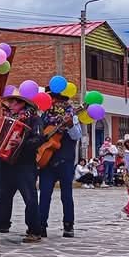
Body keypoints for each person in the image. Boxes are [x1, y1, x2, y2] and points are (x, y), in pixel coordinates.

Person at [0, 88, 45, 243]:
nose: (10, 104)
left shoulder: (34, 119)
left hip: (25, 164)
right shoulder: (7, 119)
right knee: (1, 197)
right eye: (10, 102)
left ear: (22, 103)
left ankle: (34, 231)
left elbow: (39, 139)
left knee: (30, 198)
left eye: (13, 102)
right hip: (6, 163)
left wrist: (21, 142)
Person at [37, 91, 82, 238]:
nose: (53, 102)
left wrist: (70, 125)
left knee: (66, 195)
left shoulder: (72, 115)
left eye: (55, 99)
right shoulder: (44, 116)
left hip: (65, 161)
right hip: (47, 160)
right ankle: (41, 225)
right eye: (51, 99)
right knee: (44, 194)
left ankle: (68, 225)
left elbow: (77, 136)